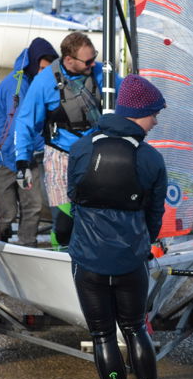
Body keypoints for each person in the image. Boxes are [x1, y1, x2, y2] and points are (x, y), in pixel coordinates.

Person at [67, 74, 167, 379]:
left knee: (103, 335)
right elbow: (155, 216)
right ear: (139, 112)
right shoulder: (151, 158)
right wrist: (139, 241)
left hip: (89, 260)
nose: (156, 121)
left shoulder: (81, 148)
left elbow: (73, 199)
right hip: (131, 261)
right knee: (136, 328)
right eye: (154, 113)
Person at [15, 31, 118, 247]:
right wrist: (22, 162)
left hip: (96, 154)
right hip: (60, 155)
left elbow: (129, 93)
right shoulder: (44, 82)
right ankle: (61, 254)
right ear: (69, 60)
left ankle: (96, 256)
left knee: (99, 216)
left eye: (94, 57)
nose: (93, 63)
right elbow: (25, 122)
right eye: (88, 60)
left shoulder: (101, 73)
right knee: (64, 223)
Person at [0, 37, 58, 246]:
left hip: (24, 156)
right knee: (7, 213)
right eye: (42, 68)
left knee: (33, 207)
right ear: (33, 63)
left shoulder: (41, 83)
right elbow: (18, 128)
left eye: (49, 69)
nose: (44, 73)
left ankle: (27, 245)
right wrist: (49, 145)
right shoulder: (16, 85)